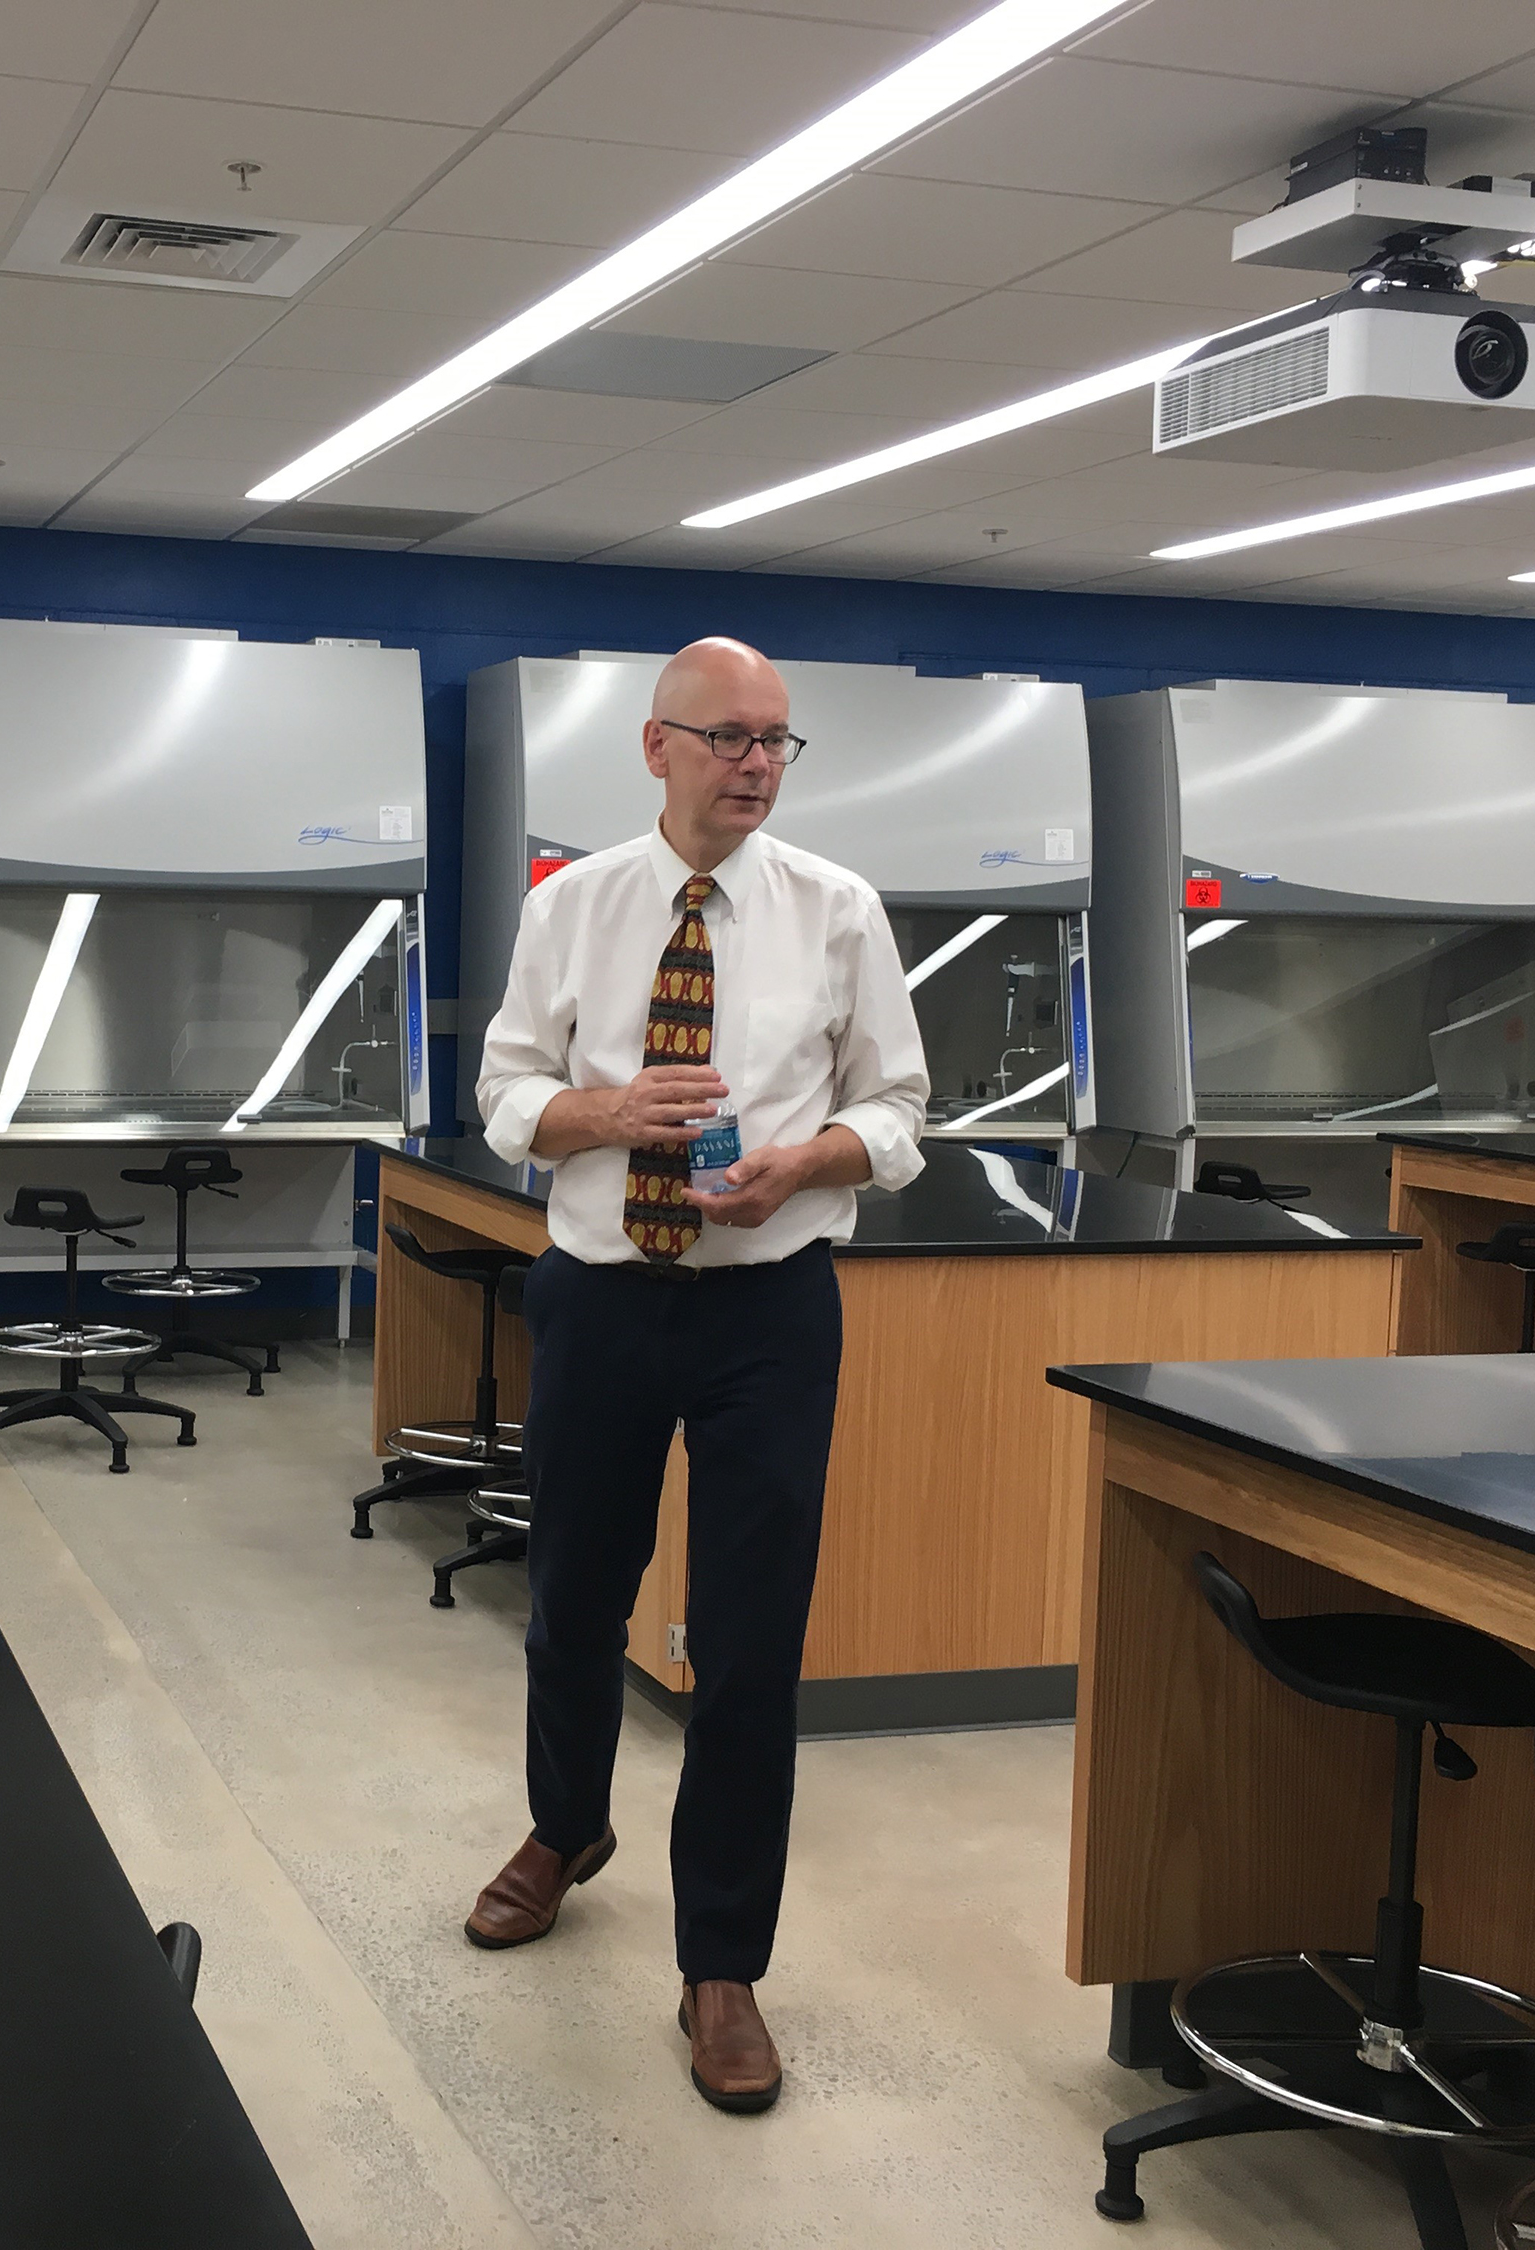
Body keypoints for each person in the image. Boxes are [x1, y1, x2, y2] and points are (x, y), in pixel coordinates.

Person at [466, 636, 929, 2114]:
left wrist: (813, 1159)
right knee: (573, 1601)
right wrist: (603, 1112)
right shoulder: (573, 905)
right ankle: (563, 1827)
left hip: (766, 1313)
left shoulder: (837, 911)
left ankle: (721, 1962)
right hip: (601, 1297)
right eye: (728, 737)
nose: (755, 764)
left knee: (745, 1645)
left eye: (778, 741)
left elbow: (904, 1106)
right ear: (656, 746)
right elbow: (504, 1095)